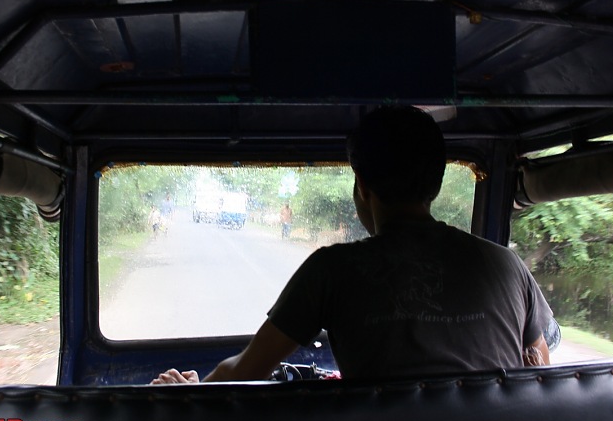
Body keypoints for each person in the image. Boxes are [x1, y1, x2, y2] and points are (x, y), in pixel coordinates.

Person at [152, 106, 552, 384]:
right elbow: (538, 369)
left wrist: (187, 391)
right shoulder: (507, 265)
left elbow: (244, 373)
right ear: (437, 183)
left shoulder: (332, 269)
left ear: (362, 187)